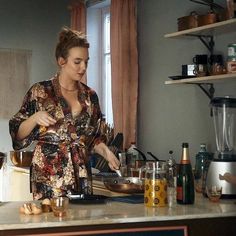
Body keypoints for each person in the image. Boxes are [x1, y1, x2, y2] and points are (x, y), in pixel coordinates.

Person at [9, 27, 120, 200]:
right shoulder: (40, 91)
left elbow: (93, 138)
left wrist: (107, 153)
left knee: (79, 224)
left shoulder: (90, 96)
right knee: (51, 224)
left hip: (81, 174)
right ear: (62, 61)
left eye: (86, 61)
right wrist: (34, 118)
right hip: (49, 175)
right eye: (77, 61)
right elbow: (18, 134)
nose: (83, 67)